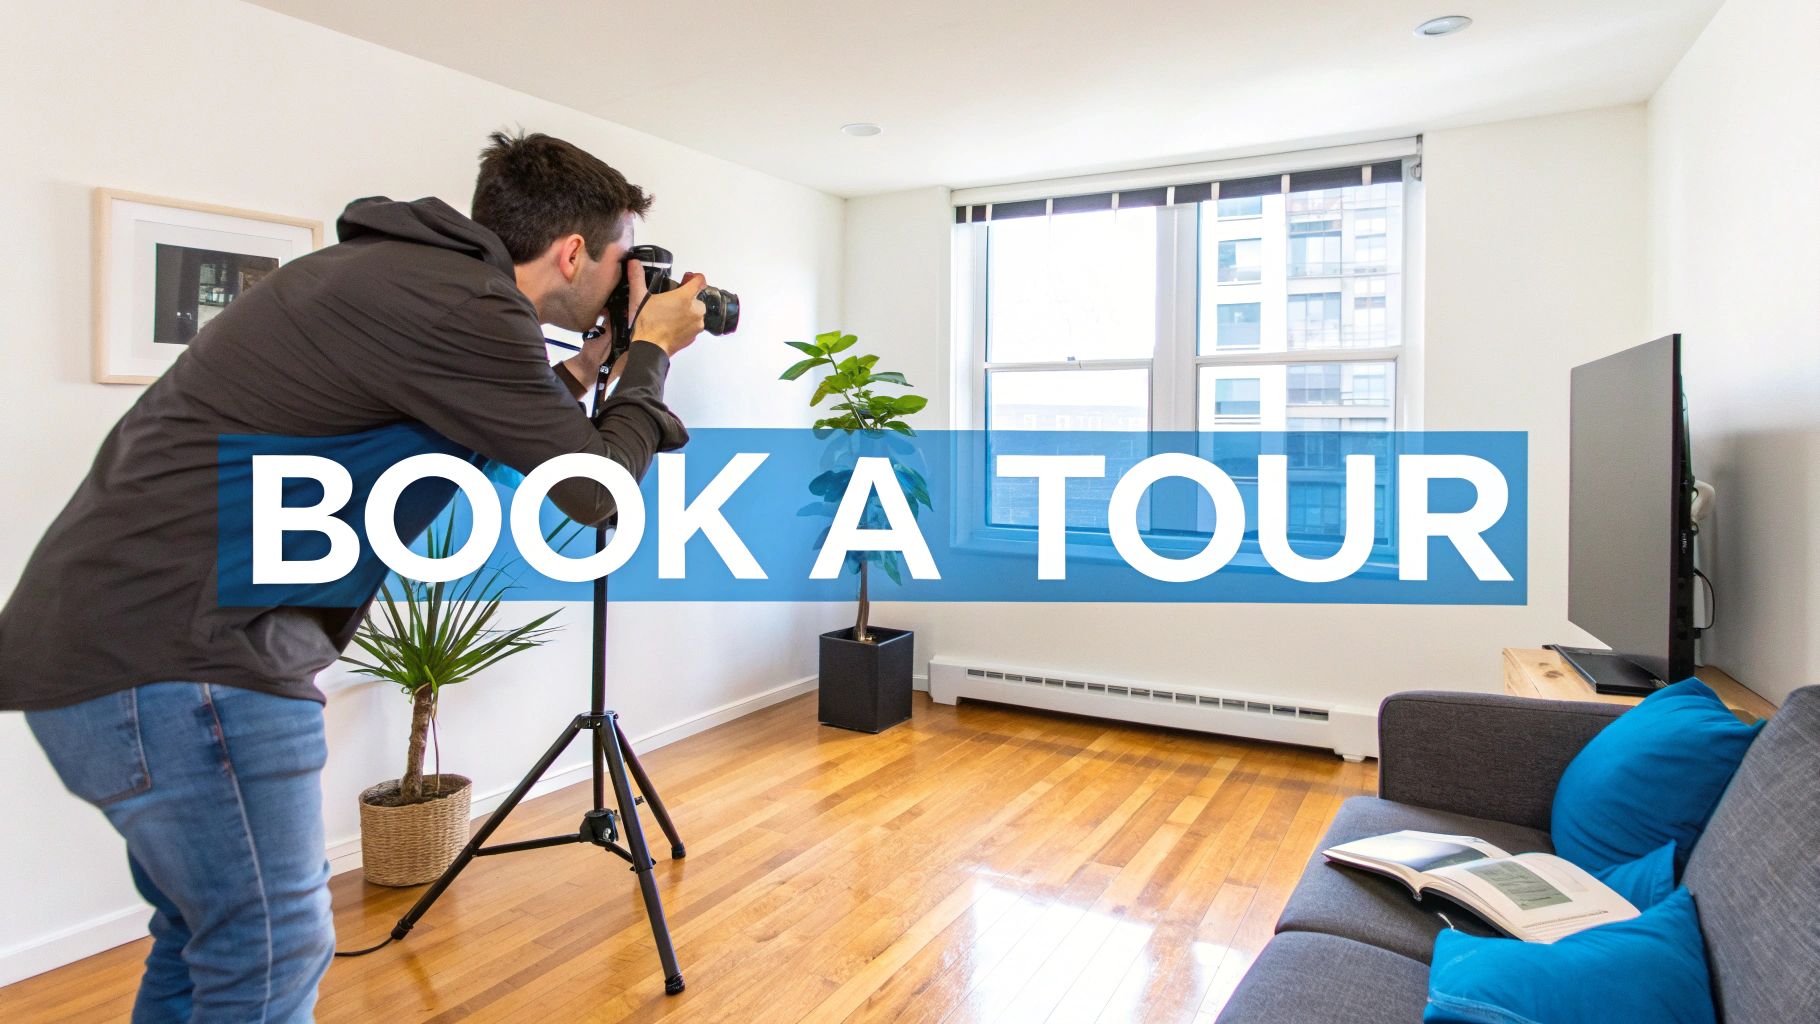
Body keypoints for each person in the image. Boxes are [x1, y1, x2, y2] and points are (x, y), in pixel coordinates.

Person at [0, 130, 706, 1022]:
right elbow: (594, 490)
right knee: (272, 950)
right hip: (191, 662)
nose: (627, 282)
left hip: (109, 650)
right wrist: (651, 355)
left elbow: (500, 426)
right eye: (621, 261)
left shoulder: (401, 279)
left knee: (203, 941)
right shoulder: (466, 306)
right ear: (573, 253)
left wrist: (594, 368)